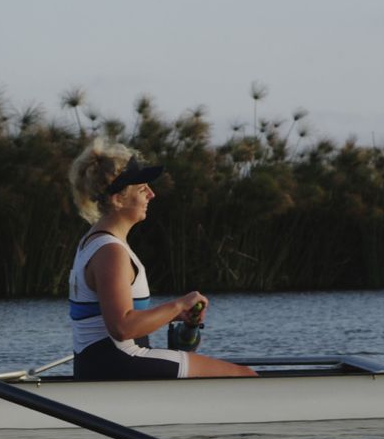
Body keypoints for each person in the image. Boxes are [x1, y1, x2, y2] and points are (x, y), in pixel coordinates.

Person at [66, 138, 256, 379]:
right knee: (245, 376)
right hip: (119, 362)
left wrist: (175, 315)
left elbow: (118, 318)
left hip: (100, 365)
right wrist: (178, 304)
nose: (152, 194)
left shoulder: (91, 242)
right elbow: (123, 327)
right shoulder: (110, 251)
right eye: (142, 188)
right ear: (118, 199)